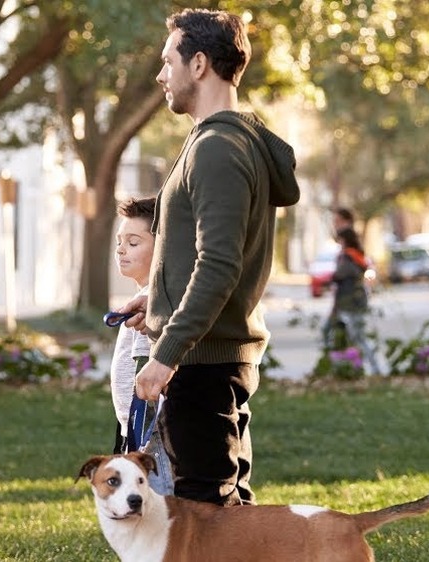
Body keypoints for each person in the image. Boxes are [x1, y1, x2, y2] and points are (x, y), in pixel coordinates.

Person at [123, 9, 301, 507]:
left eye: (168, 61)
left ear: (198, 64)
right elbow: (206, 255)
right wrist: (157, 304)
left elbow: (219, 264)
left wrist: (167, 353)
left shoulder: (219, 148)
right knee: (228, 513)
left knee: (207, 513)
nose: (161, 74)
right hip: (210, 356)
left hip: (203, 364)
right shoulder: (221, 141)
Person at [109, 197, 157, 454]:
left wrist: (139, 444)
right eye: (119, 242)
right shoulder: (143, 296)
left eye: (133, 242)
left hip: (148, 438)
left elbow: (145, 373)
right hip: (134, 432)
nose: (121, 249)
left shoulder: (150, 302)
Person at [324, 228, 383, 374]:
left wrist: (329, 280)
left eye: (340, 240)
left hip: (348, 301)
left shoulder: (347, 256)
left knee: (349, 335)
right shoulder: (358, 256)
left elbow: (339, 275)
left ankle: (371, 368)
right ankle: (355, 367)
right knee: (354, 336)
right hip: (356, 300)